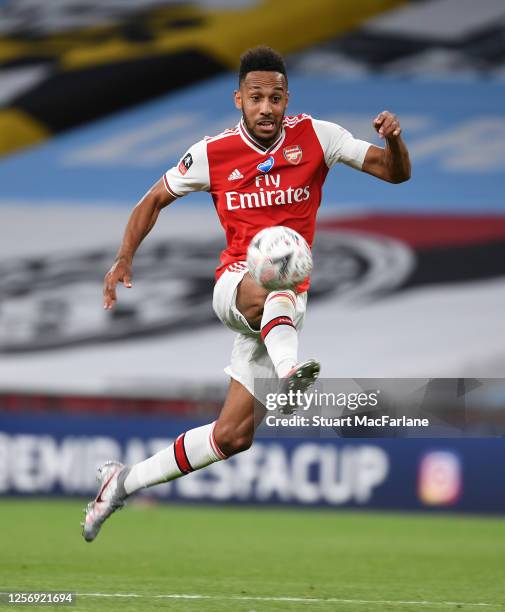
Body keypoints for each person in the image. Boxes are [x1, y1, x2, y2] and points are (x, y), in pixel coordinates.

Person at [82, 45, 410, 542]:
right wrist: (124, 256)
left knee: (232, 436)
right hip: (236, 286)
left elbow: (393, 171)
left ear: (286, 99)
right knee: (272, 279)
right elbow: (153, 200)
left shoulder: (318, 137)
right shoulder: (212, 153)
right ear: (239, 99)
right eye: (256, 97)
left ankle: (121, 482)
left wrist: (396, 141)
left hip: (283, 306)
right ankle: (290, 374)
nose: (266, 108)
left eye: (275, 98)